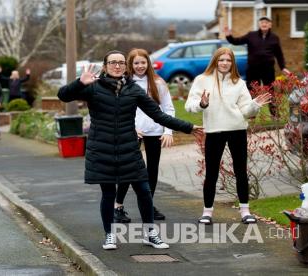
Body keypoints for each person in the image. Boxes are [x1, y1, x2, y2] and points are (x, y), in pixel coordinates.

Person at [58, 50, 203, 250]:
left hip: (129, 148)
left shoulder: (133, 90)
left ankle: (150, 233)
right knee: (108, 193)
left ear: (125, 66)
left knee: (143, 190)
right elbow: (63, 96)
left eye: (120, 63)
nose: (117, 66)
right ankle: (109, 235)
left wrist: (188, 127)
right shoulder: (93, 87)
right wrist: (80, 82)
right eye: (112, 63)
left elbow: (158, 115)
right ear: (106, 65)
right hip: (102, 149)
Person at [185, 47, 271, 225]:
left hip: (237, 130)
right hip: (214, 131)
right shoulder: (202, 80)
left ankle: (245, 211)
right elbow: (189, 105)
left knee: (241, 171)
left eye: (228, 60)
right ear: (215, 61)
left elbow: (246, 110)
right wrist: (202, 103)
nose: (224, 63)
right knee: (212, 173)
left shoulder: (238, 82)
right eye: (221, 60)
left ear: (232, 63)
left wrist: (255, 104)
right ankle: (207, 213)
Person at [114, 48, 175, 223]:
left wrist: (168, 131)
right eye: (136, 63)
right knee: (128, 170)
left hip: (155, 132)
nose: (140, 66)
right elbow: (118, 111)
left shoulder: (158, 82)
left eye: (143, 62)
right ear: (130, 65)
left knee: (152, 170)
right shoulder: (124, 84)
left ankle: (149, 204)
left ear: (148, 63)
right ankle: (118, 206)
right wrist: (131, 128)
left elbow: (168, 108)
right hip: (132, 133)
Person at [224, 16, 289, 117]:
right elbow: (236, 41)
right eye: (262, 22)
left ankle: (275, 113)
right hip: (253, 69)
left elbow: (279, 55)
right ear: (259, 24)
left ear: (270, 25)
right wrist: (229, 36)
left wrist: (283, 67)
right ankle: (251, 114)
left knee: (270, 90)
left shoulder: (274, 38)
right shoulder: (251, 35)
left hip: (268, 69)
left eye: (266, 23)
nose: (264, 24)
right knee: (252, 90)